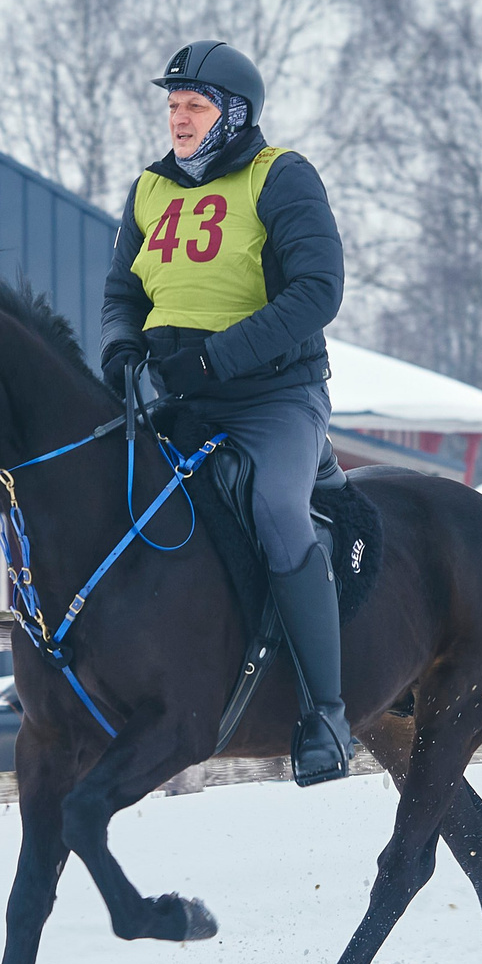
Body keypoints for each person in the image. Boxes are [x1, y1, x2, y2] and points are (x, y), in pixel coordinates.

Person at [99, 40, 354, 786]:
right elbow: (123, 295)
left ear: (233, 114)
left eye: (196, 106)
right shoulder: (148, 188)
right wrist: (120, 351)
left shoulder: (282, 177)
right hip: (177, 398)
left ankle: (327, 714)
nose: (179, 119)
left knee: (276, 507)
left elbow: (317, 291)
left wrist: (214, 359)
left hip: (273, 399)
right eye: (173, 105)